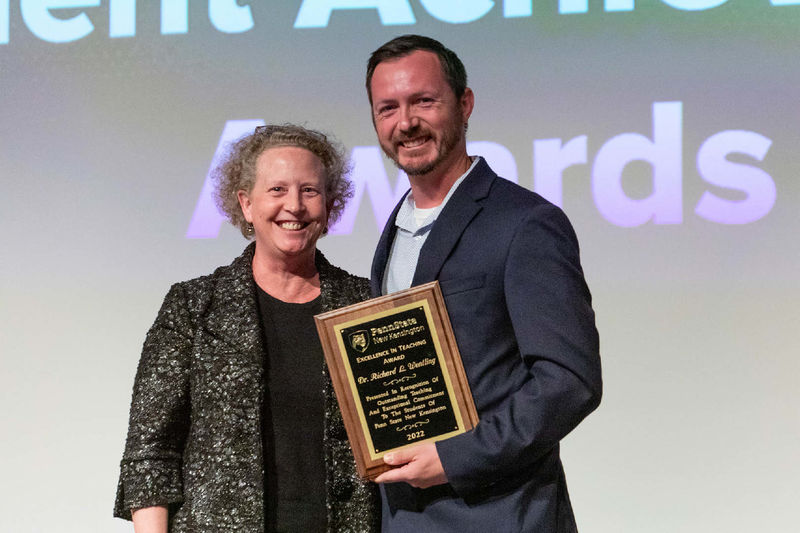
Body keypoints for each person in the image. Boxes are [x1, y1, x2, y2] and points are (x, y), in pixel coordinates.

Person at [365, 35, 603, 531]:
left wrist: (455, 457)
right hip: (406, 519)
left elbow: (569, 382)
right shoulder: (394, 229)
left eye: (423, 101)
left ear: (465, 103)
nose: (405, 122)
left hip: (502, 516)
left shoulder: (524, 222)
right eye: (388, 107)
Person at [114, 124, 380, 532]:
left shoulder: (367, 305)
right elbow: (151, 452)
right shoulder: (193, 307)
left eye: (310, 191)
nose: (294, 205)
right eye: (277, 190)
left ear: (330, 205)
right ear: (247, 204)